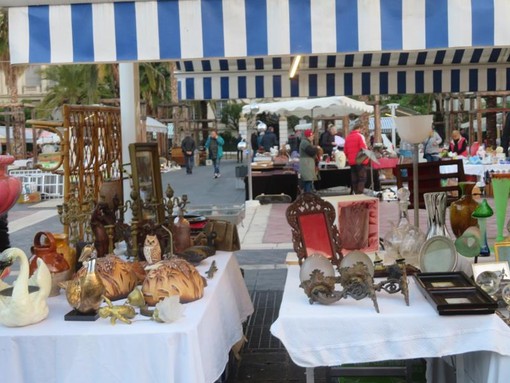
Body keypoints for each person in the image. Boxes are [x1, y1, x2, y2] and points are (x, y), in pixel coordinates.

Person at [344, 120, 369, 194]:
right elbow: (364, 149)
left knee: (354, 178)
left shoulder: (348, 137)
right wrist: (366, 159)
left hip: (351, 161)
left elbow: (345, 151)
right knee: (362, 177)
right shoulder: (360, 136)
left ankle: (355, 191)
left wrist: (349, 158)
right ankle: (359, 192)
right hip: (360, 160)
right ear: (359, 128)